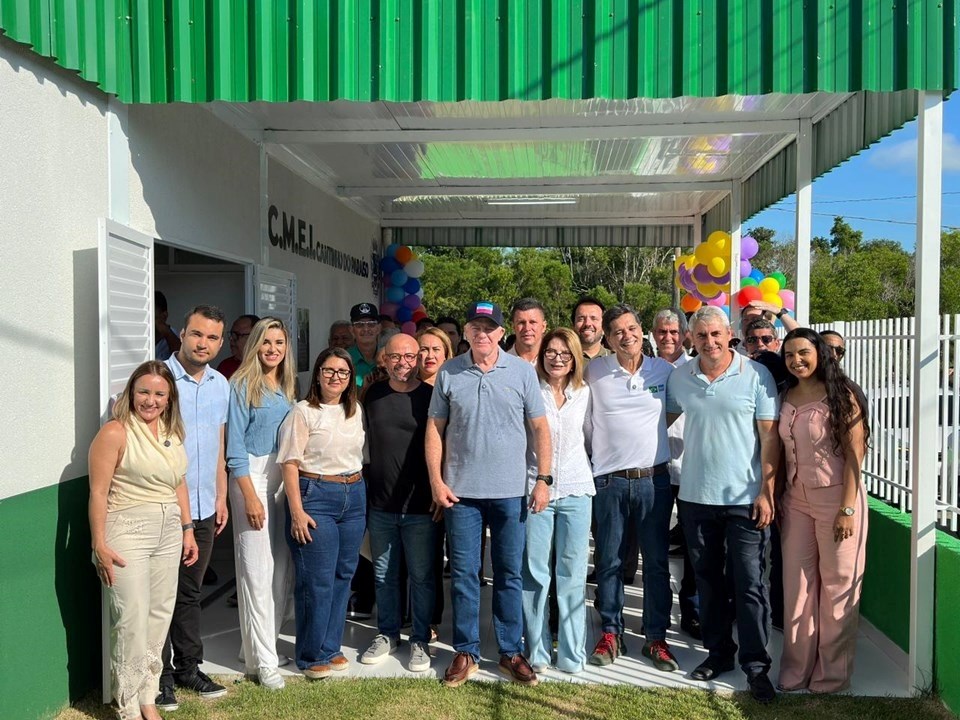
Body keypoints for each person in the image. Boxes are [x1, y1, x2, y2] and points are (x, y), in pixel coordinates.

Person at [426, 301, 551, 688]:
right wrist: (436, 481)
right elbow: (434, 429)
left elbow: (541, 429)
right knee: (464, 575)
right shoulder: (449, 372)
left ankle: (510, 651)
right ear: (465, 332)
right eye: (475, 327)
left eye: (489, 327)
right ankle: (466, 652)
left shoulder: (522, 372)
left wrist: (544, 479)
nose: (482, 334)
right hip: (461, 494)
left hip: (511, 493)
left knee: (509, 574)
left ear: (501, 333)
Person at [666, 306, 780, 704]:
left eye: (715, 334)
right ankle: (719, 654)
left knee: (749, 584)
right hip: (695, 498)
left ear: (729, 334)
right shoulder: (680, 378)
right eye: (701, 336)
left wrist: (766, 491)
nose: (709, 342)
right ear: (691, 339)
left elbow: (770, 438)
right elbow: (659, 422)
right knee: (708, 582)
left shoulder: (756, 374)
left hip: (745, 499)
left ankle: (756, 666)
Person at [88, 361, 199, 720]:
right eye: (144, 392)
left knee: (159, 615)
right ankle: (127, 705)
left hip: (169, 530)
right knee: (131, 620)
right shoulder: (115, 432)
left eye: (159, 394)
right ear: (131, 393)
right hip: (127, 530)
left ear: (169, 398)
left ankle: (148, 697)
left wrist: (187, 528)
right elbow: (98, 493)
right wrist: (99, 544)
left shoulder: (171, 430)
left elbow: (178, 481)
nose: (151, 401)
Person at [584, 304, 678, 673]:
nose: (628, 336)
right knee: (608, 561)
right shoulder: (594, 372)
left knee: (656, 563)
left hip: (654, 481)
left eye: (632, 328)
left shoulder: (664, 371)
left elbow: (674, 410)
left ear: (642, 331)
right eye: (618, 331)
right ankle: (611, 632)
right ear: (608, 339)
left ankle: (656, 637)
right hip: (608, 481)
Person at [778, 328, 870, 693]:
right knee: (797, 587)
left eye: (803, 352)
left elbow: (855, 455)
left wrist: (847, 509)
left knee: (837, 587)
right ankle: (796, 669)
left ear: (819, 353)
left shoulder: (842, 394)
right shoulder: (786, 394)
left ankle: (832, 675)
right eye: (789, 355)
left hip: (837, 500)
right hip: (796, 501)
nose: (796, 360)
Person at [158, 306, 230, 710]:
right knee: (160, 596)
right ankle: (159, 677)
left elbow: (218, 445)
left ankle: (188, 667)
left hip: (204, 507)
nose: (203, 343)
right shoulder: (160, 380)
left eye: (212, 337)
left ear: (220, 343)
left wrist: (220, 496)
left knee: (189, 592)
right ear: (182, 334)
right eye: (197, 334)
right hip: (166, 508)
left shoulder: (220, 384)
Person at [278, 347, 366, 679]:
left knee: (343, 575)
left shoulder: (354, 409)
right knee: (317, 580)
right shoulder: (303, 412)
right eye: (328, 370)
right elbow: (290, 463)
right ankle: (310, 654)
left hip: (354, 494)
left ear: (350, 378)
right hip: (315, 495)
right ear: (317, 374)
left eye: (342, 372)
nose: (335, 377)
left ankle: (331, 647)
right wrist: (296, 511)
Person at [226, 317, 297, 690]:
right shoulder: (241, 385)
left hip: (281, 478)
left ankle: (252, 648)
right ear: (255, 344)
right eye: (266, 342)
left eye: (279, 342)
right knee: (256, 571)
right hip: (251, 478)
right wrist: (250, 495)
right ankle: (265, 664)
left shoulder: (285, 385)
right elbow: (234, 446)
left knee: (280, 570)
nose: (273, 349)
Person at [360, 334, 437, 672]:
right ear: (385, 359)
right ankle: (388, 634)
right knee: (383, 575)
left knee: (421, 576)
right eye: (395, 356)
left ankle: (420, 639)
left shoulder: (431, 397)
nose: (403, 362)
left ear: (418, 358)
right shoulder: (373, 395)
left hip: (420, 505)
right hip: (380, 504)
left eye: (409, 356)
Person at [521, 328, 594, 673]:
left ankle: (571, 653)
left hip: (578, 489)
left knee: (572, 575)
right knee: (536, 573)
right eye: (550, 351)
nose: (557, 358)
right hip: (536, 489)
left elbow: (590, 436)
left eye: (565, 353)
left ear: (575, 358)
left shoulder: (585, 393)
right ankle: (537, 651)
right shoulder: (530, 390)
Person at [651, 308, 700, 641]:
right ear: (654, 334)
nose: (667, 337)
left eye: (673, 332)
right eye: (661, 331)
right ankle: (657, 615)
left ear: (684, 334)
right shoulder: (646, 370)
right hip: (654, 468)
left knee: (695, 548)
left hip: (691, 469)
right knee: (655, 548)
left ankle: (693, 612)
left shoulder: (696, 369)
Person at [348, 303, 382, 388]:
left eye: (371, 324)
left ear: (378, 328)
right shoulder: (345, 359)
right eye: (359, 324)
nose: (366, 329)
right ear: (352, 330)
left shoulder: (387, 357)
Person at [217, 314, 261, 380]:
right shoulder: (225, 366)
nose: (232, 339)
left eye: (237, 335)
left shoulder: (268, 366)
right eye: (232, 334)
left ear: (255, 337)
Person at [508, 298, 547, 364]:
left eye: (532, 322)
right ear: (513, 327)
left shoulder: (554, 362)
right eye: (521, 322)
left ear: (543, 326)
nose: (527, 328)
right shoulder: (501, 364)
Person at [571, 297, 610, 362]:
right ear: (573, 326)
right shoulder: (561, 360)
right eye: (581, 319)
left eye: (593, 318)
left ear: (604, 327)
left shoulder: (618, 361)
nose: (587, 323)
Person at [155, 291, 181, 361]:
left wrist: (167, 334)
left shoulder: (174, 336)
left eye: (154, 318)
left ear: (164, 316)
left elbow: (181, 359)